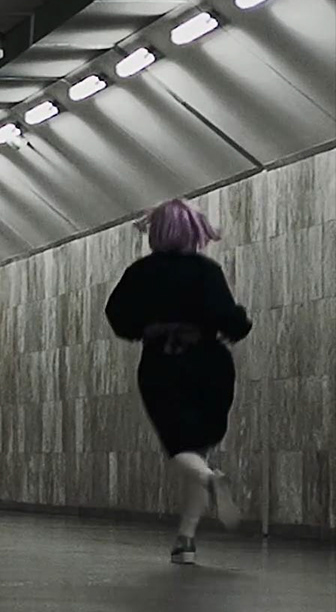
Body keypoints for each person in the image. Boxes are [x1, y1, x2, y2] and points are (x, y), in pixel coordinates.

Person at [104, 198, 252, 565]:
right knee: (197, 447)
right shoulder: (207, 271)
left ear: (156, 232)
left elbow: (117, 315)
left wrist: (147, 327)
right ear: (193, 230)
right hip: (211, 364)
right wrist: (237, 320)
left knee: (179, 446)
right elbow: (230, 319)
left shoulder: (140, 273)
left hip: (163, 363)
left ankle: (211, 480)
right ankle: (185, 539)